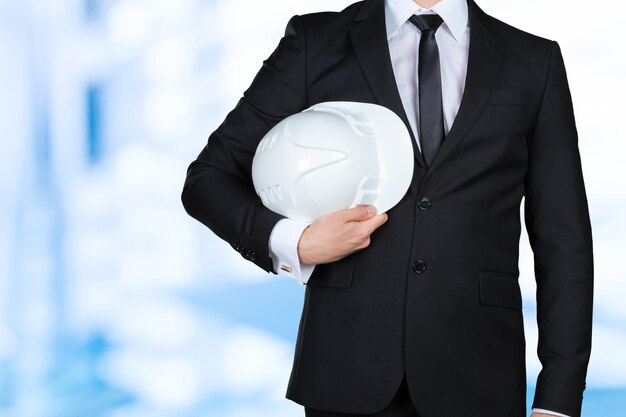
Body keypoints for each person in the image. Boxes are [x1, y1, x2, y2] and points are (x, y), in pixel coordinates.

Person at [181, 0, 594, 416]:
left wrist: (558, 398)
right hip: (348, 372)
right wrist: (297, 244)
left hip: (479, 373)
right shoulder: (317, 42)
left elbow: (564, 240)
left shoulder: (532, 60)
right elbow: (209, 179)